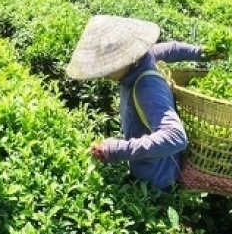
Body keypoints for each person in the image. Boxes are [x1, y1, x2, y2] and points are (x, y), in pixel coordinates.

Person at [65, 15, 222, 190]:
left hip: (157, 183)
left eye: (107, 66)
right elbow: (172, 49)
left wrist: (116, 150)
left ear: (126, 59)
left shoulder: (148, 87)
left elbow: (175, 137)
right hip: (143, 166)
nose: (103, 73)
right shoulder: (145, 57)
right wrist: (202, 53)